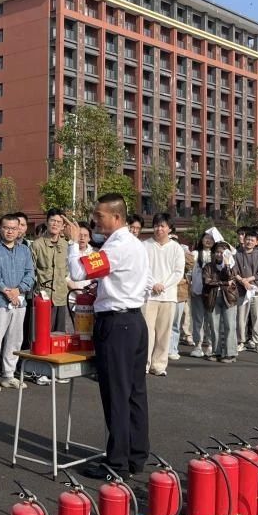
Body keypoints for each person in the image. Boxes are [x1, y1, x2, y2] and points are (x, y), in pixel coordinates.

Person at [64, 194, 151, 480]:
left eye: (99, 216)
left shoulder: (117, 247)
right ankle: (136, 454)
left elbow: (78, 270)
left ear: (116, 217)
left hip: (117, 324)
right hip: (134, 320)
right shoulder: (135, 244)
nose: (95, 220)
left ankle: (117, 461)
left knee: (116, 394)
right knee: (135, 393)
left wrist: (73, 243)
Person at [0, 214, 35, 393]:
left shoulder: (24, 250)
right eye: (6, 227)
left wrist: (18, 291)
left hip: (19, 302)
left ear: (19, 229)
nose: (10, 231)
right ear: (0, 228)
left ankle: (8, 375)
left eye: (14, 228)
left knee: (15, 340)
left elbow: (30, 273)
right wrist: (7, 291)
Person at [142, 213, 184, 376]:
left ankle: (159, 365)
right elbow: (142, 269)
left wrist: (163, 285)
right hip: (148, 295)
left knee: (164, 333)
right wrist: (153, 284)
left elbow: (178, 272)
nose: (159, 229)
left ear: (169, 229)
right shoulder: (145, 245)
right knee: (147, 332)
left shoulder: (176, 248)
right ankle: (144, 364)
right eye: (156, 225)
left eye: (162, 226)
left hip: (168, 296)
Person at [31, 209, 71, 334]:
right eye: (52, 221)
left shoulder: (66, 246)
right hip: (43, 298)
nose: (55, 224)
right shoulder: (37, 245)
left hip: (61, 298)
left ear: (63, 226)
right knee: (41, 335)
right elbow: (31, 271)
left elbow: (68, 272)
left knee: (59, 336)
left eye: (59, 222)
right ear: (47, 222)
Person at [202, 241, 241, 362]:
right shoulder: (208, 266)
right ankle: (216, 352)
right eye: (217, 252)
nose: (220, 255)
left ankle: (231, 353)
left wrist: (227, 264)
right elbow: (207, 282)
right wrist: (223, 283)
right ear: (213, 253)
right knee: (214, 326)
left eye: (223, 252)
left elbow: (230, 277)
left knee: (230, 325)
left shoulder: (232, 266)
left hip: (229, 298)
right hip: (213, 298)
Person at [234, 227, 258, 353]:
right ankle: (240, 341)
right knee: (241, 318)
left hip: (256, 291)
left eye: (252, 240)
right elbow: (233, 272)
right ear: (244, 239)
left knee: (257, 317)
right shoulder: (237, 255)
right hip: (241, 291)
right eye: (247, 239)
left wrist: (249, 279)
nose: (249, 242)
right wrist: (243, 281)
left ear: (257, 242)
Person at [189, 232, 215, 358]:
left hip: (212, 292)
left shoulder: (217, 254)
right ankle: (198, 346)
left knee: (211, 319)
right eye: (206, 237)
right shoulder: (195, 254)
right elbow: (188, 272)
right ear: (202, 239)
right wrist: (190, 286)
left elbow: (232, 252)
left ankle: (210, 345)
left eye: (211, 238)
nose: (208, 240)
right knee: (198, 319)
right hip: (197, 291)